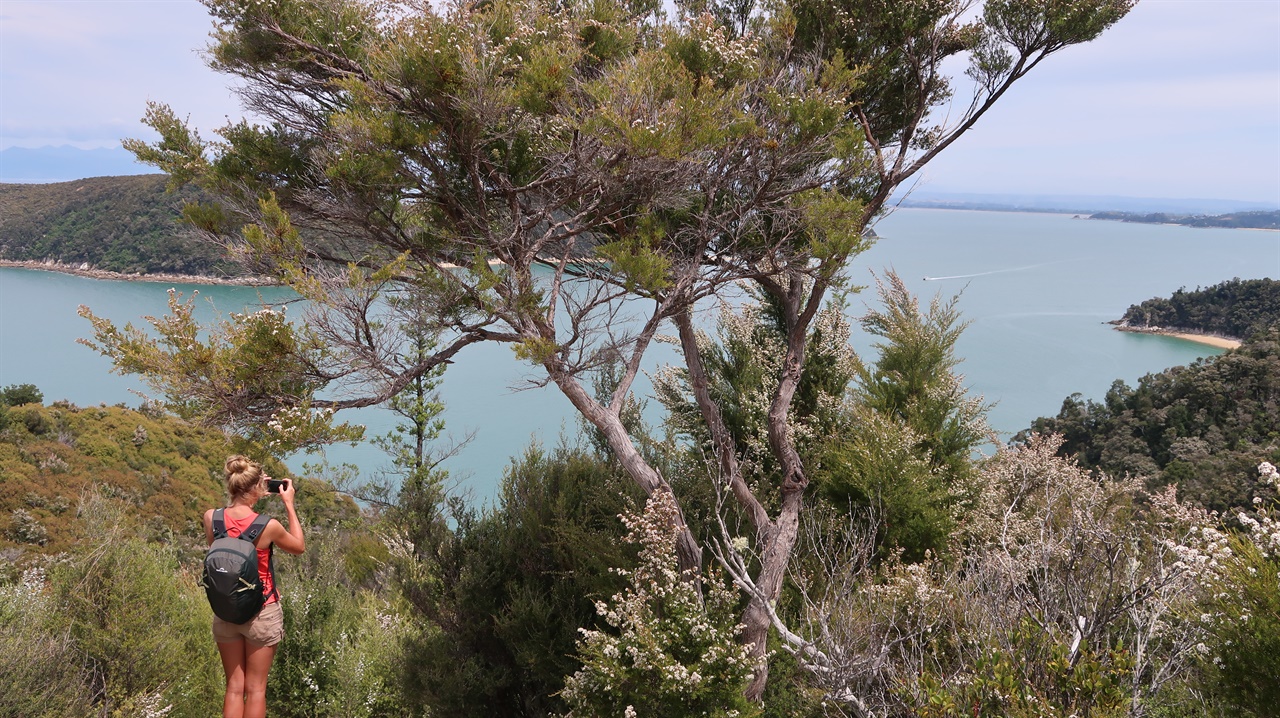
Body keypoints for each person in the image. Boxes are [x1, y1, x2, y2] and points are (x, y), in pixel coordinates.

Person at [203, 455, 305, 718]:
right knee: (256, 689)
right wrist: (289, 504)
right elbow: (299, 547)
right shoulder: (268, 526)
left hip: (226, 609)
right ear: (257, 488)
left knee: (234, 688)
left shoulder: (211, 518)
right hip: (262, 611)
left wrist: (256, 488)